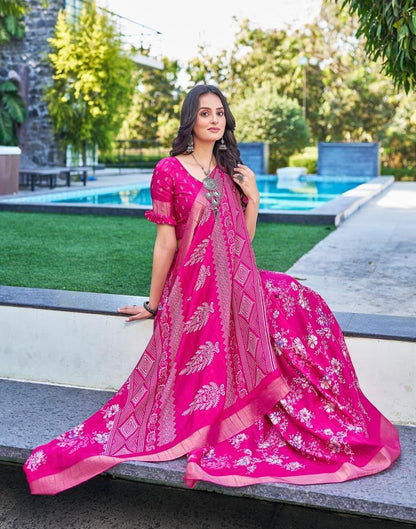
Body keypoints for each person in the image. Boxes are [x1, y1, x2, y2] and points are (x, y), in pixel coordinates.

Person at [24, 84, 400, 495]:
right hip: (193, 286)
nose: (214, 119)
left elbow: (242, 240)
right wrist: (153, 304)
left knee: (301, 299)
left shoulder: (228, 175)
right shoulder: (169, 170)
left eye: (219, 112)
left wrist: (253, 199)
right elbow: (166, 242)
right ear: (191, 119)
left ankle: (320, 402)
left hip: (237, 278)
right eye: (205, 113)